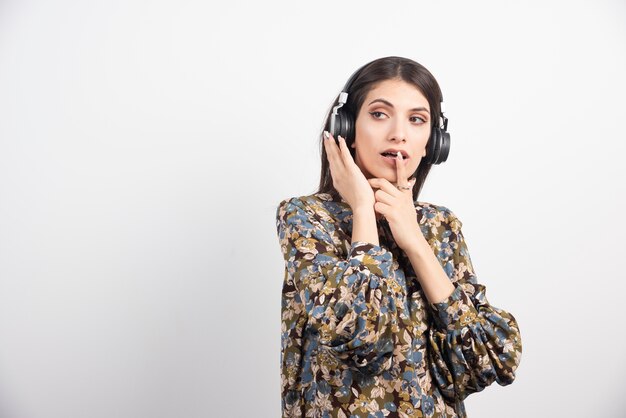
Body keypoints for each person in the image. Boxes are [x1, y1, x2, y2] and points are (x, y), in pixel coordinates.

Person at [274, 56, 522, 418]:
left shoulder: (440, 225)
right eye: (379, 114)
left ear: (433, 143)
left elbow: (484, 363)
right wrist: (362, 209)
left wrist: (415, 241)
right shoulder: (306, 217)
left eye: (417, 119)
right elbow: (364, 340)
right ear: (346, 129)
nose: (399, 134)